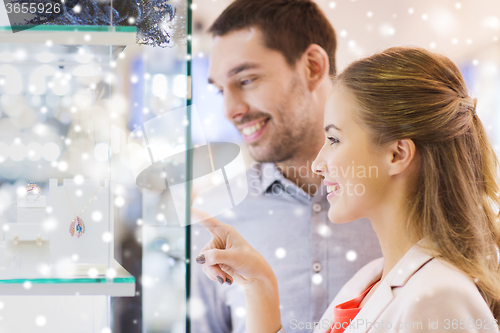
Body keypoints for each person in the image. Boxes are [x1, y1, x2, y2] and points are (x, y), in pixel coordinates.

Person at [193, 46, 500, 333]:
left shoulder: (439, 297)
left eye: (335, 140)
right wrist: (259, 286)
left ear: (397, 154)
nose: (318, 163)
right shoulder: (369, 281)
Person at [189, 1, 382, 332]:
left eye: (246, 80)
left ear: (312, 67)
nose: (230, 109)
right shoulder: (216, 218)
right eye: (221, 90)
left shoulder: (398, 196)